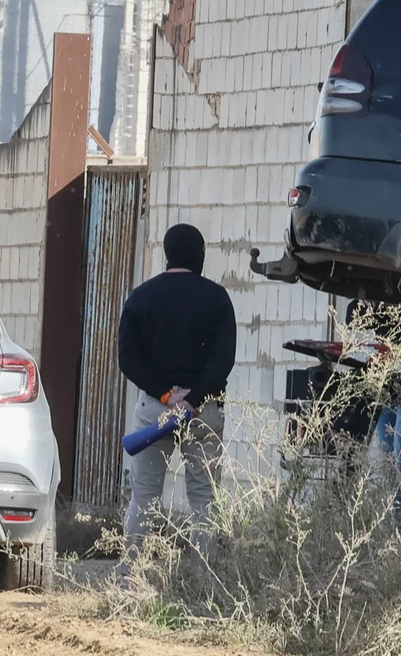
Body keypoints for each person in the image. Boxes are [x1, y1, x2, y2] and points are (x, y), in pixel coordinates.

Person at [117, 223, 236, 564]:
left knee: (144, 498)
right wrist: (193, 400)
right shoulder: (217, 298)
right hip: (204, 413)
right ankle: (203, 584)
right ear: (199, 252)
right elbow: (222, 361)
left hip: (155, 410)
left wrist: (168, 397)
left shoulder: (140, 297)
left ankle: (130, 579)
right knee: (203, 500)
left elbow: (128, 360)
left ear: (167, 254)